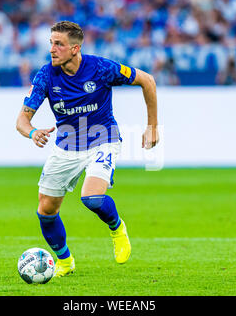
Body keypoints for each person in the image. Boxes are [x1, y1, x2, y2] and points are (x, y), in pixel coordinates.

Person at [16, 21, 159, 277]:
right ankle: (65, 261)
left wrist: (153, 127)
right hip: (66, 147)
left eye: (58, 44)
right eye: (51, 43)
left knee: (91, 198)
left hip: (103, 139)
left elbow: (147, 80)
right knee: (46, 210)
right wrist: (33, 132)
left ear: (75, 48)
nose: (52, 49)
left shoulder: (101, 68)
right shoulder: (46, 75)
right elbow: (21, 121)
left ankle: (117, 228)